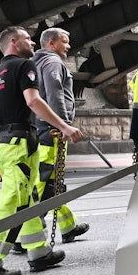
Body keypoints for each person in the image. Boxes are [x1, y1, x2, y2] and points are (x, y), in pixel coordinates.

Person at [0, 26, 84, 275]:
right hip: (20, 142)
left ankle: (38, 252)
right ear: (14, 42)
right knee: (14, 201)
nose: (33, 42)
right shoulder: (25, 66)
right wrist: (64, 126)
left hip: (3, 142)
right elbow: (34, 101)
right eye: (27, 38)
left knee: (31, 197)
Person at [32, 27, 89, 243]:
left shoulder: (34, 63)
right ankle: (24, 233)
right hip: (52, 131)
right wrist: (64, 125)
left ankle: (68, 226)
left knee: (53, 181)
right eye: (64, 41)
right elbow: (55, 93)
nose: (68, 46)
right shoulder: (53, 62)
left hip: (40, 128)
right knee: (45, 183)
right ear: (51, 43)